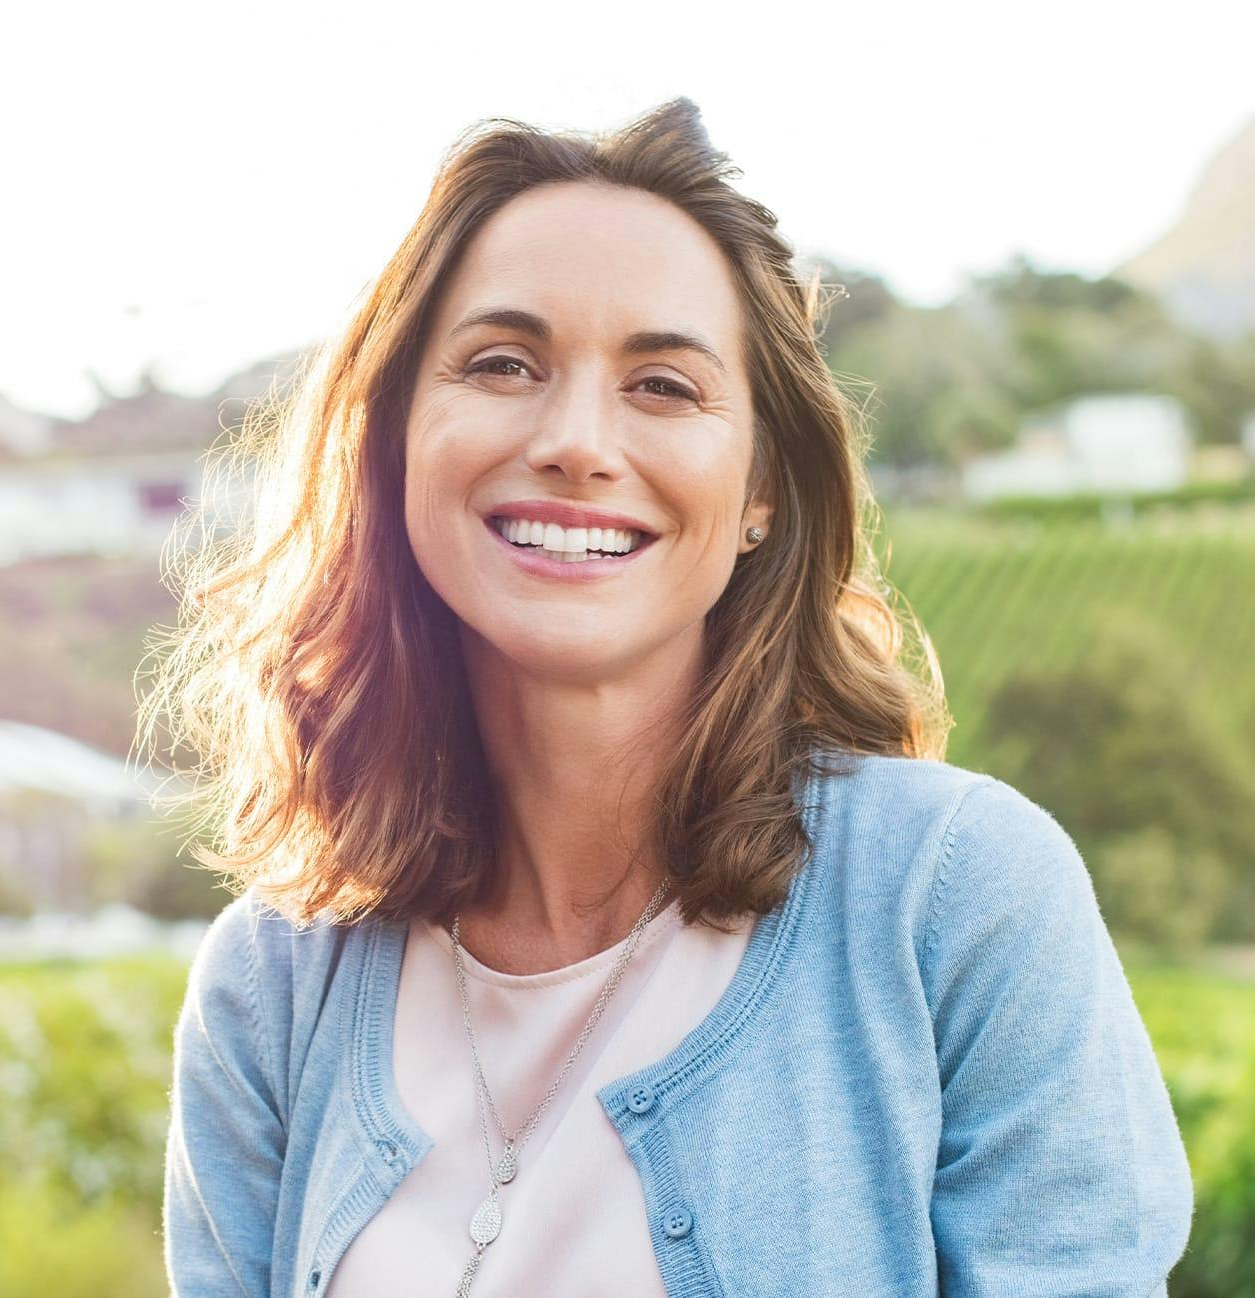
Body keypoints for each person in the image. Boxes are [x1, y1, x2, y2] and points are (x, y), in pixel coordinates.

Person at [144, 96, 1193, 1297]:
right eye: (501, 363)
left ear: (759, 491)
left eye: (663, 385)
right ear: (393, 442)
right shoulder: (273, 981)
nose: (576, 441)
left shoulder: (954, 897)